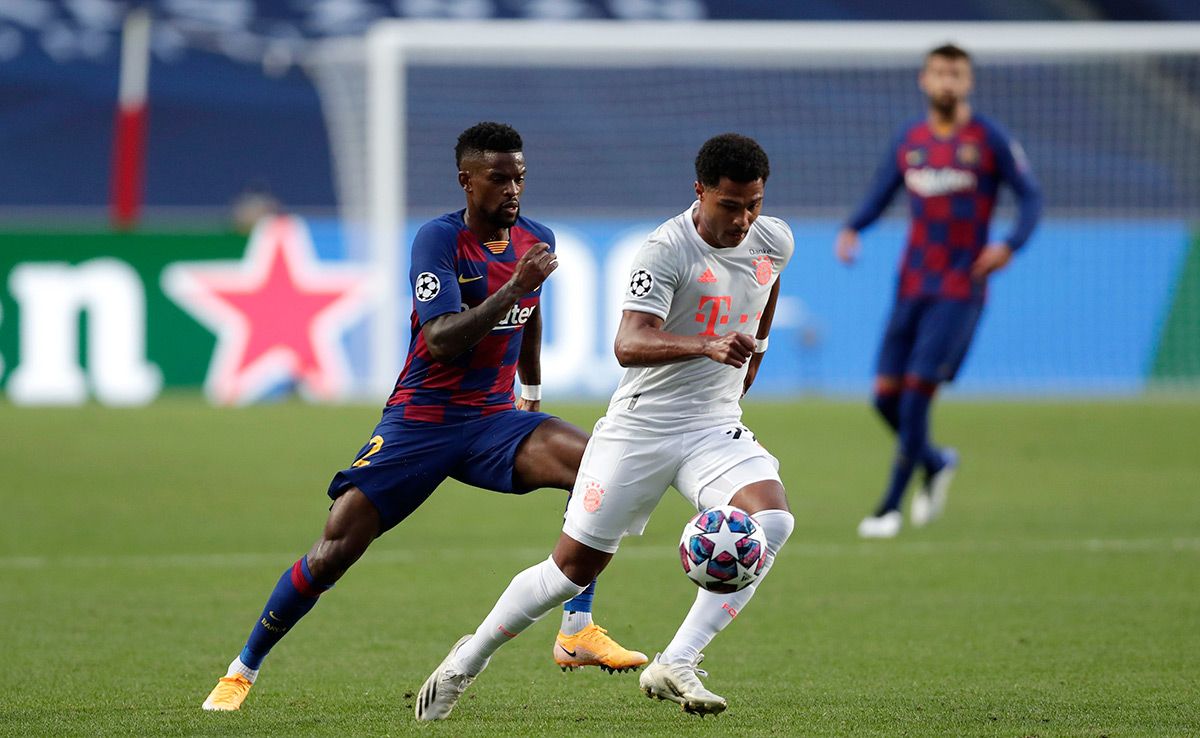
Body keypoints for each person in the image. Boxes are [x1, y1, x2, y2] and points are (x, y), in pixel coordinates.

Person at [202, 122, 645, 712]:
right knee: (336, 547)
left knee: (599, 467)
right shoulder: (437, 241)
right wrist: (514, 288)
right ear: (466, 180)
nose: (513, 190)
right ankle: (242, 669)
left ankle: (576, 628)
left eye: (520, 178)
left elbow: (531, 316)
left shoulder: (534, 237)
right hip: (421, 421)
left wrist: (530, 393)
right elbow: (439, 340)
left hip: (492, 421)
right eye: (499, 179)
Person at [415, 132, 795, 721]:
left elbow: (766, 286)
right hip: (638, 431)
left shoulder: (774, 240)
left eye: (753, 204)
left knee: (771, 519)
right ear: (700, 192)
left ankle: (678, 661)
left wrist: (756, 353)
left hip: (713, 426)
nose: (743, 219)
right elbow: (628, 342)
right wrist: (708, 345)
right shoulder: (665, 250)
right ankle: (470, 657)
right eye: (729, 205)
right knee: (570, 574)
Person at [835, 44, 1041, 539]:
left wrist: (1009, 245)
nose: (948, 81)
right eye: (940, 73)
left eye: (957, 73)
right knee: (884, 397)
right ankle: (936, 461)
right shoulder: (911, 139)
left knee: (915, 398)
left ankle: (888, 508)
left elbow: (1031, 196)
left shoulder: (988, 139)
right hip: (911, 283)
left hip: (960, 287)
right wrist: (852, 229)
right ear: (923, 80)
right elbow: (882, 193)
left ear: (968, 82)